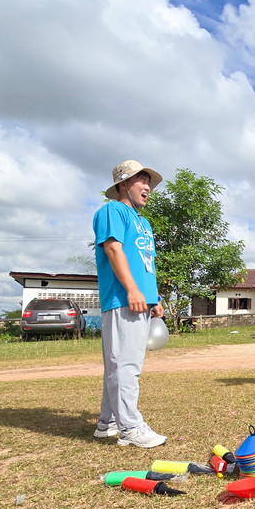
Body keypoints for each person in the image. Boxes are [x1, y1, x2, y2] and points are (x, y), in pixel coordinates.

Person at [93, 160, 167, 448]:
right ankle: (131, 427)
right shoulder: (112, 211)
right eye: (141, 180)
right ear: (123, 184)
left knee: (121, 363)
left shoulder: (143, 223)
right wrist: (132, 290)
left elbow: (146, 262)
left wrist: (154, 298)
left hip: (141, 300)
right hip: (122, 298)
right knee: (125, 364)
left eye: (149, 181)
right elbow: (113, 249)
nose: (148, 186)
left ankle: (107, 422)